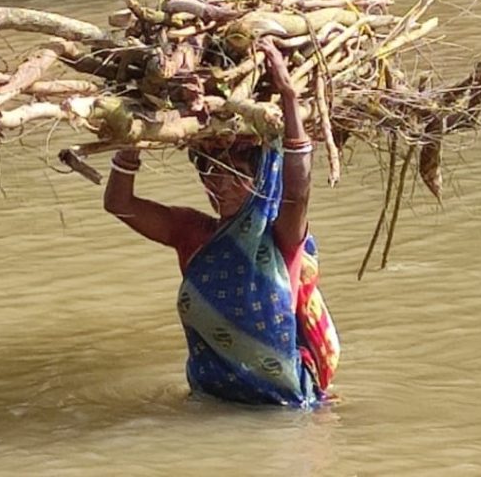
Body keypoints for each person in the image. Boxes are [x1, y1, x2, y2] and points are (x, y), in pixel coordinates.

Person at [103, 38, 340, 407]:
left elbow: (299, 192)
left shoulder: (279, 237)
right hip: (209, 401)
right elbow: (119, 203)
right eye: (211, 174)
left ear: (260, 177)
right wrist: (136, 135)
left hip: (281, 412)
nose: (220, 187)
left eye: (236, 175)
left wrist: (289, 97)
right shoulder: (191, 233)